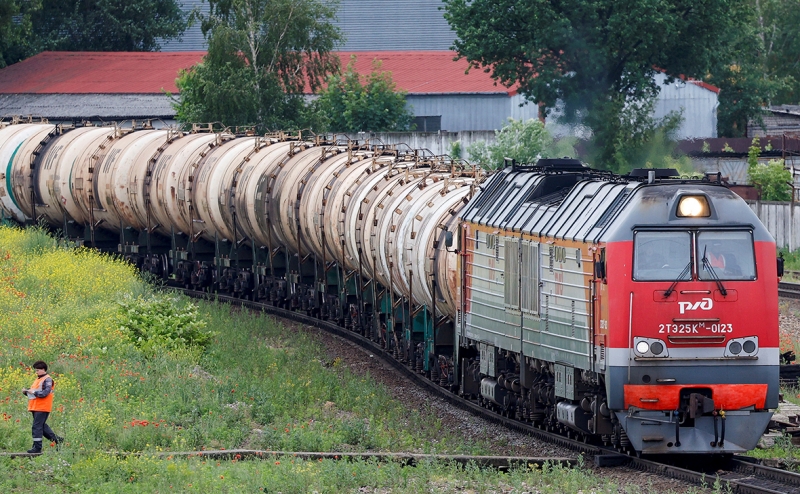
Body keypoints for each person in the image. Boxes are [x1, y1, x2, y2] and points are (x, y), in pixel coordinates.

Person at [21, 361, 62, 454]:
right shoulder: (38, 379)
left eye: (38, 370)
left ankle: (37, 447)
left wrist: (33, 392)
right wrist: (26, 392)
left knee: (37, 427)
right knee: (42, 427)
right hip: (36, 407)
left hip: (43, 407)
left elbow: (44, 393)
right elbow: (34, 393)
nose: (36, 372)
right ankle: (58, 440)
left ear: (43, 369)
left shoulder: (47, 379)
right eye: (36, 370)